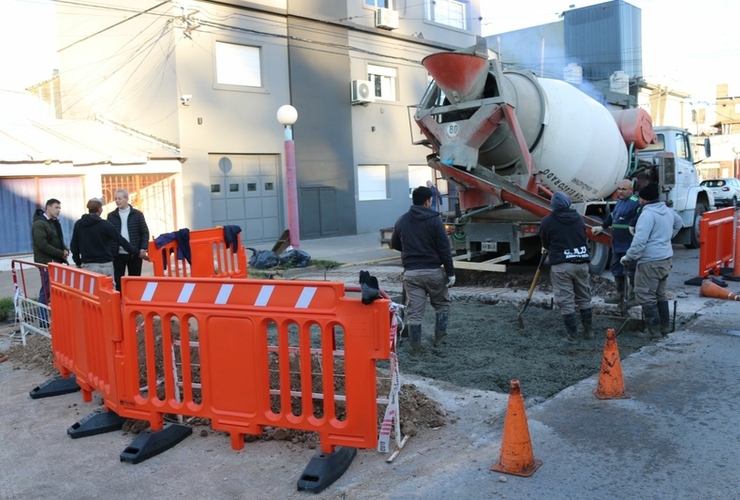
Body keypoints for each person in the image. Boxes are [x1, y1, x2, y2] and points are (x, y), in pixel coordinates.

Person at [391, 186, 455, 356]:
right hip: (434, 272)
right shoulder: (435, 221)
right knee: (442, 305)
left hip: (411, 274)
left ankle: (415, 350)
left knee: (414, 314)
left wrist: (410, 250)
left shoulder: (402, 220)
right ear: (427, 202)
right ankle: (440, 343)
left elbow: (395, 244)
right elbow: (444, 249)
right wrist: (451, 273)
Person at [621, 183, 683, 339]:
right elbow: (679, 223)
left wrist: (628, 257)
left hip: (650, 261)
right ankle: (664, 328)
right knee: (659, 294)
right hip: (665, 258)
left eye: (640, 197)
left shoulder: (647, 215)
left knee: (645, 295)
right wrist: (668, 238)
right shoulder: (667, 211)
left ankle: (653, 331)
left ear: (644, 199)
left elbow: (640, 241)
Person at [540, 191, 593, 344]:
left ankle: (573, 335)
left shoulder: (547, 221)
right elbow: (583, 237)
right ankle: (589, 332)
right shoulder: (578, 218)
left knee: (566, 300)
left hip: (561, 266)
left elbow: (545, 242)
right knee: (584, 297)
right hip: (581, 263)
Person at [70, 198, 143, 281]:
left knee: (91, 292)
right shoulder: (104, 224)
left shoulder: (79, 224)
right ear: (99, 209)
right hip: (105, 265)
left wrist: (78, 262)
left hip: (87, 265)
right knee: (108, 291)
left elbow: (74, 245)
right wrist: (137, 253)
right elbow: (120, 240)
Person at [592, 179, 640, 305]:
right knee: (616, 268)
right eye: (619, 189)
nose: (620, 192)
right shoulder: (620, 201)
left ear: (631, 190)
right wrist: (602, 226)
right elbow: (613, 216)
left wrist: (632, 225)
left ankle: (633, 297)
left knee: (631, 269)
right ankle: (620, 294)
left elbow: (640, 215)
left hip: (629, 242)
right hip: (618, 243)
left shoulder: (635, 202)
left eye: (624, 189)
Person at [31, 198, 69, 326]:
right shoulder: (39, 224)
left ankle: (54, 317)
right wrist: (60, 253)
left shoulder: (53, 222)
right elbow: (42, 244)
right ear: (48, 207)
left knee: (55, 290)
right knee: (46, 291)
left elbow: (57, 238)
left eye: (59, 208)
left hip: (55, 261)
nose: (58, 210)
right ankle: (43, 320)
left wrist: (64, 249)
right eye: (56, 207)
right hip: (46, 262)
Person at [107, 189, 150, 291]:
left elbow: (144, 232)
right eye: (115, 199)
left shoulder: (137, 214)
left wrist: (143, 248)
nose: (117, 201)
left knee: (134, 281)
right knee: (118, 282)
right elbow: (108, 235)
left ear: (126, 199)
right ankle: (119, 304)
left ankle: (133, 302)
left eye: (120, 198)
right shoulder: (111, 216)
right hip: (117, 254)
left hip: (135, 253)